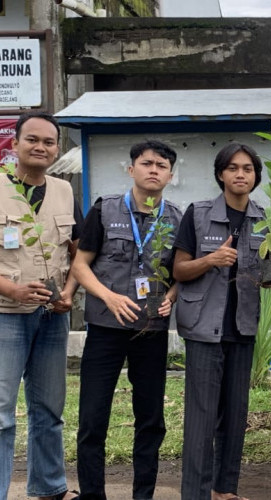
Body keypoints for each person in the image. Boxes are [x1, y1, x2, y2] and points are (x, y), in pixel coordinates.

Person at [71, 140, 181, 500]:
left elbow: (182, 272)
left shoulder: (178, 219)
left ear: (170, 175)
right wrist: (108, 296)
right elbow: (80, 266)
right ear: (131, 169)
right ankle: (92, 495)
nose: (154, 170)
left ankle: (143, 494)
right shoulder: (104, 211)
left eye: (161, 165)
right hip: (106, 326)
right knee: (92, 416)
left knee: (150, 418)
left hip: (151, 329)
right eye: (146, 163)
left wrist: (170, 297)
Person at [173, 142, 271, 500]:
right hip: (204, 327)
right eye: (233, 168)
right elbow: (179, 269)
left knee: (236, 415)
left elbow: (266, 273)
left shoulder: (265, 219)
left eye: (247, 169)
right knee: (202, 418)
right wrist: (211, 259)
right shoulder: (199, 213)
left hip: (243, 326)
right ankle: (195, 493)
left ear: (256, 176)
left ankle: (224, 490)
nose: (240, 174)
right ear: (220, 174)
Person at [0, 111, 83, 500]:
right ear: (14, 144)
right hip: (6, 316)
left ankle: (49, 487)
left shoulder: (65, 191)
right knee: (1, 414)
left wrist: (69, 292)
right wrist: (11, 291)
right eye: (32, 139)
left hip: (52, 317)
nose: (41, 147)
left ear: (57, 149)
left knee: (49, 408)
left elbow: (79, 252)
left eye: (49, 142)